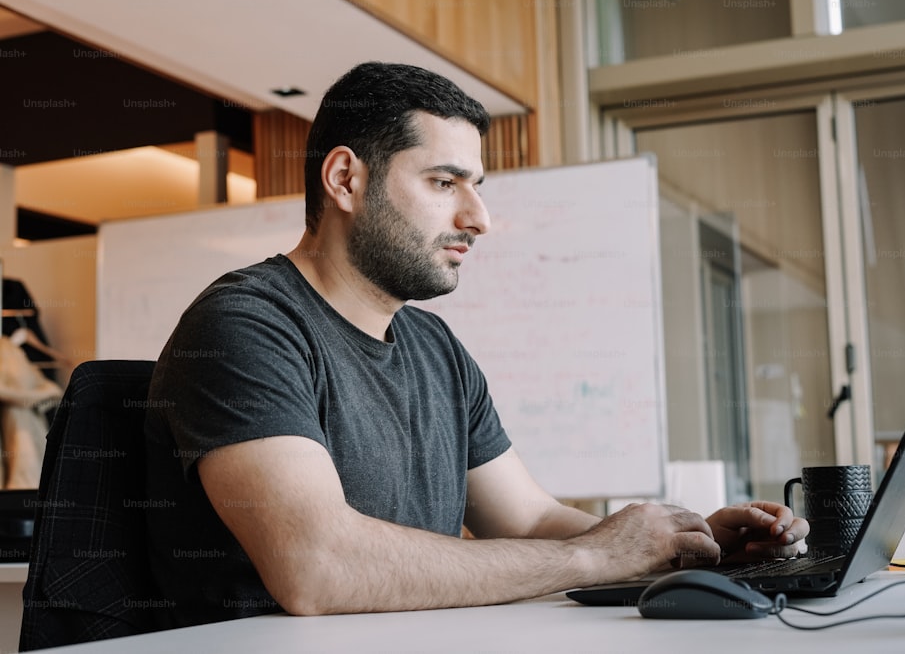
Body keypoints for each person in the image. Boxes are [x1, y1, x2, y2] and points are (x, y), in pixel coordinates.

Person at [143, 61, 808, 628]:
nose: (479, 218)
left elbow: (527, 518)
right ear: (346, 179)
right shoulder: (244, 327)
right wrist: (597, 556)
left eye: (477, 187)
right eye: (443, 182)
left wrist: (682, 541)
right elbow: (317, 567)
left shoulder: (433, 345)